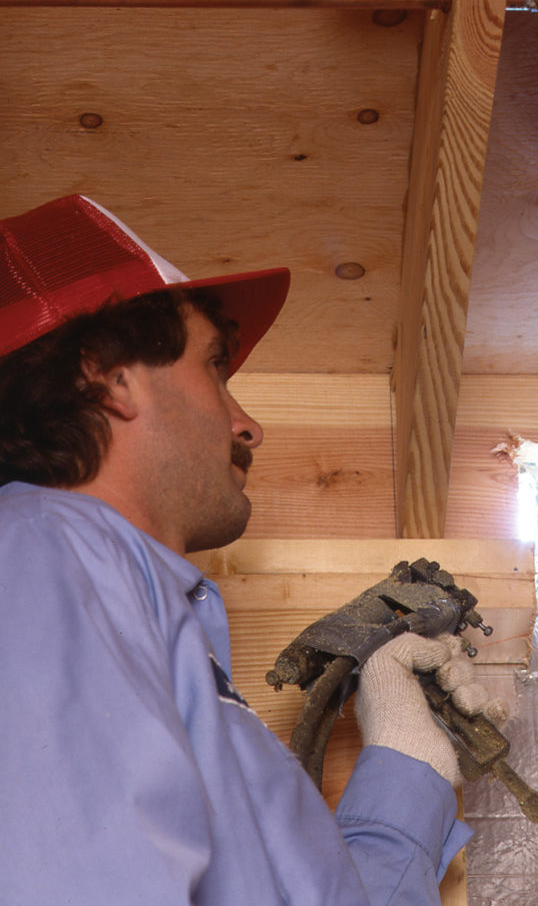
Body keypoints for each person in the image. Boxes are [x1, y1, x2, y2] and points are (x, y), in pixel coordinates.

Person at [0, 194, 504, 905]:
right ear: (110, 376)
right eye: (216, 369)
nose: (249, 427)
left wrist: (406, 758)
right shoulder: (38, 555)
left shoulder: (128, 615)